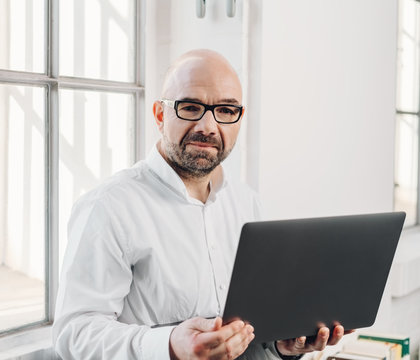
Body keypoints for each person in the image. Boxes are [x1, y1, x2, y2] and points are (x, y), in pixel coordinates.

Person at [52, 49, 347, 359]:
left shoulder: (247, 204)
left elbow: (251, 333)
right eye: (191, 107)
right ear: (160, 115)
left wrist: (280, 347)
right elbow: (74, 334)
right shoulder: (108, 207)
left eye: (225, 110)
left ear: (238, 119)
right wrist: (169, 346)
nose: (208, 126)